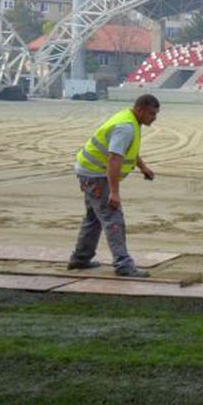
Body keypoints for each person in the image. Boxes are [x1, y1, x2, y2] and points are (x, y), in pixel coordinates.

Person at [68, 94, 160, 278]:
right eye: (151, 114)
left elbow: (127, 150)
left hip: (89, 172)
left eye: (156, 114)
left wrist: (143, 167)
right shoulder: (125, 127)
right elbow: (114, 158)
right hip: (96, 175)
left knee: (94, 218)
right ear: (139, 109)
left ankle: (80, 258)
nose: (154, 118)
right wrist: (114, 193)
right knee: (113, 219)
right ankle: (123, 265)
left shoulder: (130, 120)